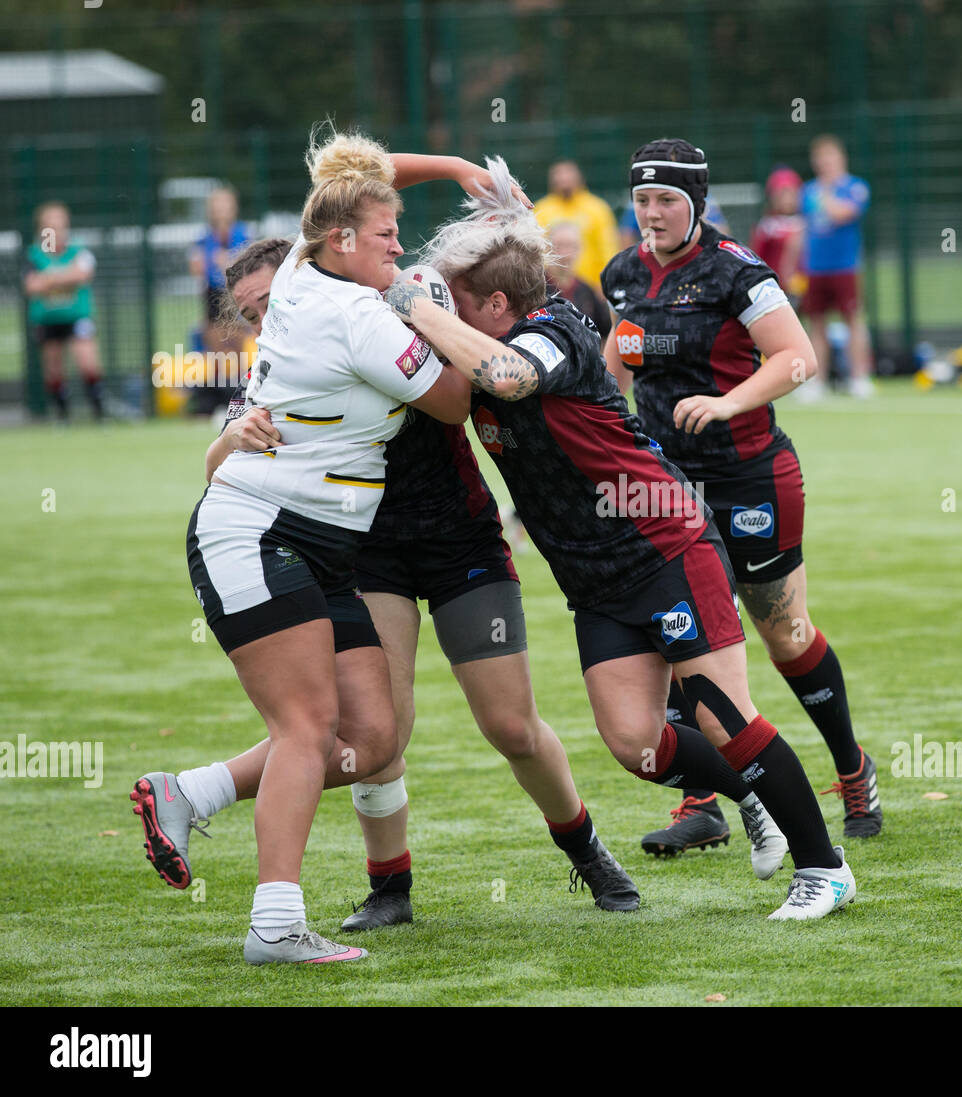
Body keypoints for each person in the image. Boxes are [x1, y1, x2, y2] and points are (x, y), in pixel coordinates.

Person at [393, 157, 857, 920]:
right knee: (635, 742)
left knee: (723, 714)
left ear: (499, 305)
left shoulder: (557, 334)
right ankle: (755, 796)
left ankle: (824, 866)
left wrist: (418, 307)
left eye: (457, 304)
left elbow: (509, 376)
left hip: (666, 544)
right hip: (594, 578)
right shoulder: (490, 330)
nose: (444, 314)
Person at [168, 234, 639, 928]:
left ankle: (587, 848)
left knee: (511, 723)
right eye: (252, 314)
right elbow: (220, 465)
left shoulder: (387, 310)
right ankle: (389, 884)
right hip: (370, 551)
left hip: (461, 538)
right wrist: (229, 439)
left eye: (271, 302)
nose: (266, 322)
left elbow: (464, 385)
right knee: (381, 729)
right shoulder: (285, 362)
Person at [131, 128, 480, 964]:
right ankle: (275, 925)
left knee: (374, 735)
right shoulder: (356, 314)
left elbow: (358, 178)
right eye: (388, 232)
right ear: (341, 242)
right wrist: (430, 306)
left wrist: (456, 169)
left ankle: (192, 790)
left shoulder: (298, 261)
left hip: (315, 548)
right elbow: (460, 401)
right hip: (257, 534)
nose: (401, 242)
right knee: (307, 726)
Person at [602, 138, 882, 859]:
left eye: (667, 200)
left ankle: (852, 769)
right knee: (679, 629)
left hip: (749, 475)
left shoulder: (737, 271)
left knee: (783, 634)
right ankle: (707, 799)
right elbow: (614, 377)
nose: (653, 213)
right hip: (665, 486)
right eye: (642, 200)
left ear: (696, 203)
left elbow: (797, 357)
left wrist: (727, 403)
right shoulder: (624, 273)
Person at [800, 134, 873, 399]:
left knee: (853, 320)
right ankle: (816, 382)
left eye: (830, 157)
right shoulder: (807, 190)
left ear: (841, 159)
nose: (825, 163)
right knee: (816, 324)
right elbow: (805, 228)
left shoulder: (855, 187)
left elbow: (843, 214)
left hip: (845, 266)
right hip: (815, 267)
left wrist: (827, 193)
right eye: (820, 158)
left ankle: (859, 378)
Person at [22, 201, 106, 420]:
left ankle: (99, 411)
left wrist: (49, 278)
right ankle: (62, 414)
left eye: (60, 226)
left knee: (88, 362)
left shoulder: (79, 250)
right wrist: (65, 277)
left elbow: (83, 275)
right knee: (54, 367)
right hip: (48, 319)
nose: (56, 232)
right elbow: (32, 286)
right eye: (50, 227)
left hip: (77, 316)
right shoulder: (34, 255)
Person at [189, 187, 252, 414]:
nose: (222, 209)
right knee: (216, 352)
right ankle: (218, 401)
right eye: (217, 205)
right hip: (213, 300)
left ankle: (239, 400)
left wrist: (228, 263)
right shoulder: (204, 238)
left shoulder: (243, 235)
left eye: (226, 204)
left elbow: (247, 265)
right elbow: (197, 268)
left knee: (237, 352)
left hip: (237, 297)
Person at [531, 160, 620, 293]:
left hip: (591, 289)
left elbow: (608, 249)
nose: (564, 181)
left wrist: (604, 284)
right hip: (550, 290)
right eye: (559, 177)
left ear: (579, 179)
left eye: (568, 176)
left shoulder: (597, 208)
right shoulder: (541, 210)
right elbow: (535, 251)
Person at [545, 221, 611, 341]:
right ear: (547, 248)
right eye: (559, 246)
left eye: (571, 246)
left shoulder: (587, 291)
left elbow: (605, 332)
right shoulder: (535, 288)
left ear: (580, 250)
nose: (565, 254)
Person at [751, 166, 806, 306]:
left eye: (792, 194)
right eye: (782, 194)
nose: (788, 200)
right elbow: (756, 256)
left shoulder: (803, 223)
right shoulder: (767, 226)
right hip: (773, 287)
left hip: (802, 283)